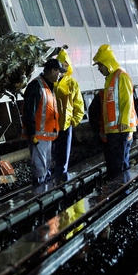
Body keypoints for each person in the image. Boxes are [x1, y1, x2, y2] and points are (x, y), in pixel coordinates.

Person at [92, 44, 138, 181]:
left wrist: (124, 121)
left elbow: (127, 100)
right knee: (115, 165)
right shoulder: (111, 78)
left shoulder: (121, 76)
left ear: (107, 63)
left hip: (121, 128)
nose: (99, 69)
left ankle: (123, 193)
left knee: (119, 166)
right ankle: (118, 192)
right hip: (114, 130)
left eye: (100, 65)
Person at [21, 59, 63, 185]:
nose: (60, 75)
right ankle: (39, 192)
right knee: (39, 167)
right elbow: (29, 111)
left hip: (46, 136)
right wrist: (32, 133)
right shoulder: (36, 86)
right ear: (52, 70)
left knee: (45, 166)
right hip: (37, 136)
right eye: (59, 72)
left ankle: (44, 190)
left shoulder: (48, 87)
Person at [53, 49, 85, 182]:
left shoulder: (72, 83)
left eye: (66, 65)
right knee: (53, 153)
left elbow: (78, 104)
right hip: (52, 125)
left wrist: (74, 120)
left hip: (66, 125)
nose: (64, 68)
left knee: (63, 154)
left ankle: (61, 177)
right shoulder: (51, 82)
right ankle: (55, 176)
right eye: (62, 65)